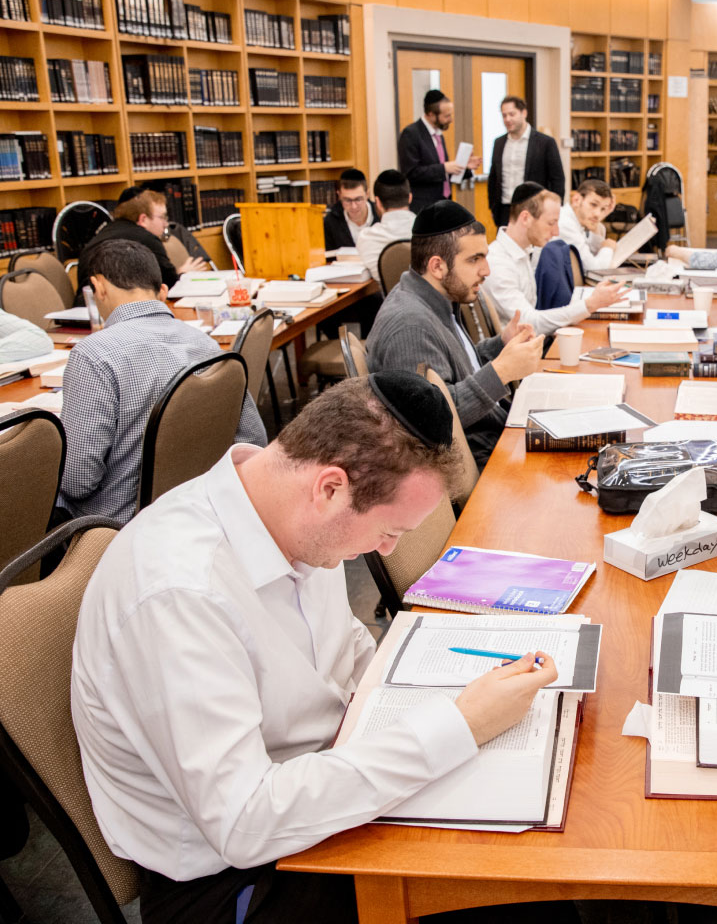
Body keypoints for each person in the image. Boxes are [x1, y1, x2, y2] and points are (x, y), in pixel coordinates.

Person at [72, 371, 559, 924]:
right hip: (234, 879)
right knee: (514, 893)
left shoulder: (294, 520)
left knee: (522, 859)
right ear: (330, 487)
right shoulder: (179, 594)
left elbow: (344, 650)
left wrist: (448, 698)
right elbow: (244, 824)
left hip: (318, 789)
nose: (386, 548)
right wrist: (457, 726)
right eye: (389, 530)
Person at [59, 238, 266, 525]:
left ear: (99, 287)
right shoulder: (207, 346)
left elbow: (78, 482)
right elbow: (253, 441)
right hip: (200, 512)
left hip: (114, 529)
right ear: (163, 290)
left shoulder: (93, 356)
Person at [367, 200, 544, 467]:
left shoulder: (434, 298)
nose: (486, 271)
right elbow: (428, 423)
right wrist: (501, 373)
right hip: (473, 460)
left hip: (489, 437)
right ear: (437, 266)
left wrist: (501, 344)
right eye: (475, 259)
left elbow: (455, 365)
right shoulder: (410, 326)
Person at [483, 182, 625, 334]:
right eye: (551, 223)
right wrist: (590, 304)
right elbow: (529, 323)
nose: (556, 232)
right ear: (525, 218)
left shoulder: (523, 252)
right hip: (518, 350)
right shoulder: (498, 262)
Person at [76, 188, 205, 303]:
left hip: (85, 304)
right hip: (111, 309)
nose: (166, 224)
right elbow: (169, 285)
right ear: (143, 219)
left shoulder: (109, 231)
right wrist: (183, 274)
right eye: (162, 218)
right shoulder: (146, 238)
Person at [486, 95, 565, 228]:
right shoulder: (498, 143)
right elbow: (493, 177)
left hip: (534, 208)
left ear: (524, 113)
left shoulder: (545, 142)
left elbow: (557, 179)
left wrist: (555, 210)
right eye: (504, 115)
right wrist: (493, 207)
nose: (507, 119)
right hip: (505, 209)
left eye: (512, 114)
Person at [398, 89, 481, 213]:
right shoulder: (411, 134)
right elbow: (411, 173)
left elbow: (442, 174)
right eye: (446, 116)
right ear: (431, 114)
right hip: (423, 206)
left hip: (443, 203)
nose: (451, 119)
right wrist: (444, 168)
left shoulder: (438, 135)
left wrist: (464, 167)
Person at [355, 169, 415, 287]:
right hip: (432, 304)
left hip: (393, 304)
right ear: (410, 198)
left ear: (377, 202)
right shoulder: (431, 232)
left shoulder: (367, 238)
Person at [556, 178, 619, 273]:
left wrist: (598, 222)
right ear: (577, 200)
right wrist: (608, 248)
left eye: (603, 209)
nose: (598, 214)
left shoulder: (576, 221)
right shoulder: (565, 224)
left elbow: (593, 252)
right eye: (593, 204)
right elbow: (594, 269)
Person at [321, 168, 377, 251]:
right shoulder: (330, 222)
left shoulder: (381, 216)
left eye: (358, 199)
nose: (353, 206)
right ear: (339, 195)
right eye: (347, 200)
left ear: (367, 194)